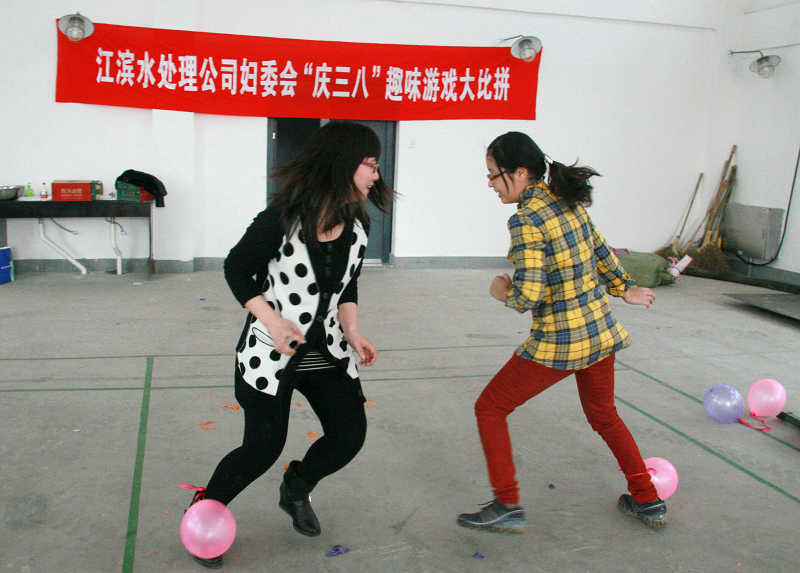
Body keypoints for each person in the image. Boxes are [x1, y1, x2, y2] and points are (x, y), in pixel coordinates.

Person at [184, 121, 392, 568]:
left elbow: (348, 284)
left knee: (349, 435)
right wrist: (273, 321)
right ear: (341, 165)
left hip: (327, 351)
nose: (376, 175)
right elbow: (236, 269)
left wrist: (353, 330)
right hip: (270, 353)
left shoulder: (357, 222)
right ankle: (206, 506)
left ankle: (296, 487)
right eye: (370, 165)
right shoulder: (282, 218)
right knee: (261, 447)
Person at [457, 131, 666, 534]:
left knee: (490, 408)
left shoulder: (526, 220)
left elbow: (529, 293)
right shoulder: (567, 201)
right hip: (599, 333)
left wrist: (503, 293)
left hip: (560, 342)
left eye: (493, 174)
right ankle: (647, 499)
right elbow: (601, 250)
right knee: (605, 415)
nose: (490, 184)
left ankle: (507, 504)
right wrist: (625, 288)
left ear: (520, 173)